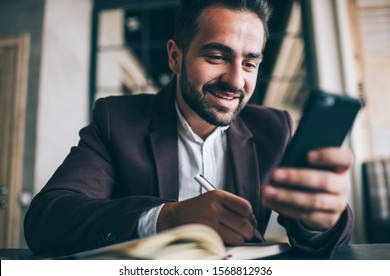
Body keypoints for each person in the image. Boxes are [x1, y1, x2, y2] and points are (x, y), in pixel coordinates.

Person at [24, 0, 353, 257]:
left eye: (250, 63)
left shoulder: (274, 128)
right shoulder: (117, 120)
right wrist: (166, 218)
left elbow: (317, 234)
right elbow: (47, 219)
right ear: (175, 57)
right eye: (216, 56)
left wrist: (317, 222)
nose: (236, 80)